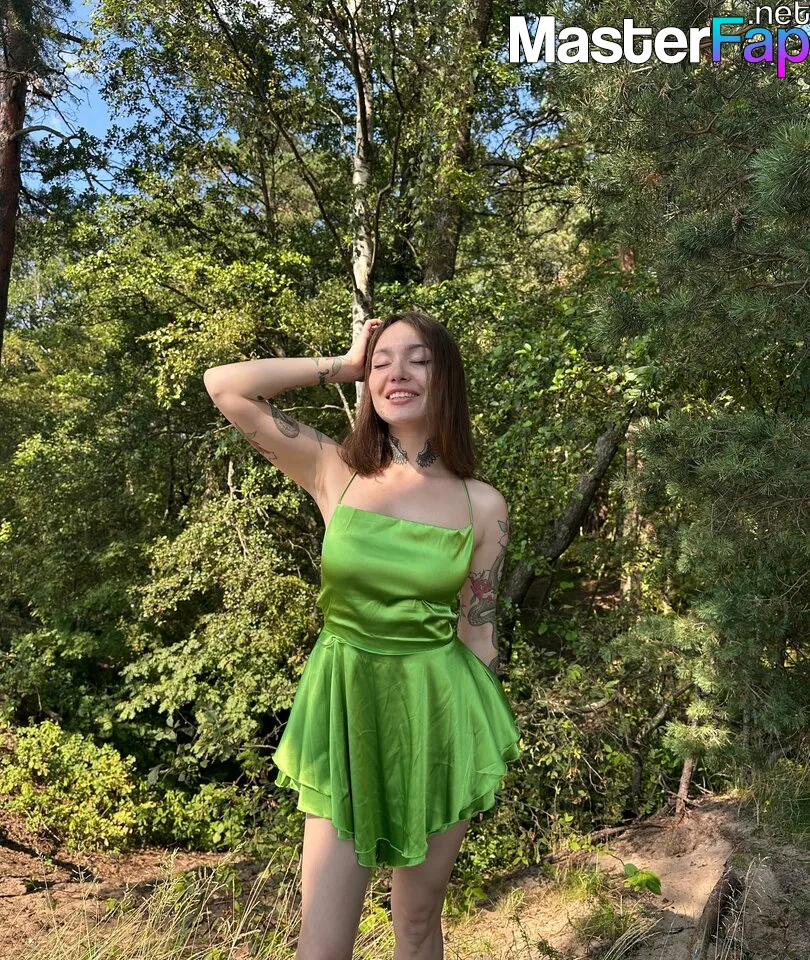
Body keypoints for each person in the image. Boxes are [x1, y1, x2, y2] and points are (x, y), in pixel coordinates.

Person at [203, 310, 521, 960]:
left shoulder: (482, 505)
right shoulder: (335, 470)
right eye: (383, 362)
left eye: (418, 360)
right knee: (322, 945)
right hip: (345, 710)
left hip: (439, 717)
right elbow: (224, 384)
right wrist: (344, 365)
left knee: (417, 922)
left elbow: (479, 639)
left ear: (446, 379)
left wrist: (474, 746)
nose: (397, 373)